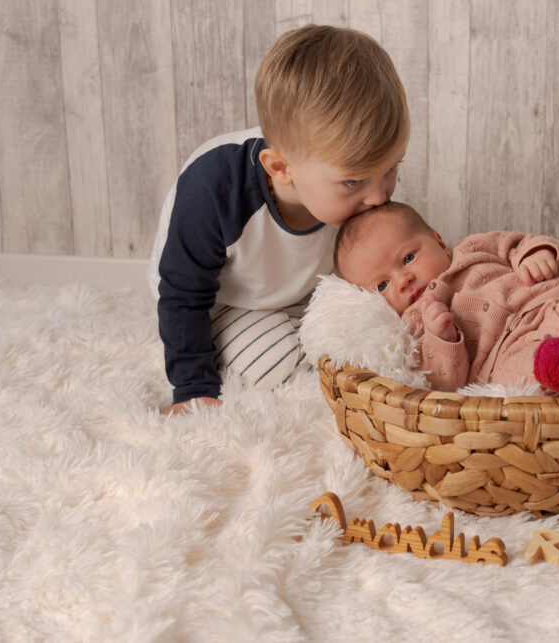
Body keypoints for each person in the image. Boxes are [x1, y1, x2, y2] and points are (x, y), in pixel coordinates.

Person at [148, 25, 410, 415]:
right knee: (278, 361)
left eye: (391, 169)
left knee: (391, 334)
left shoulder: (345, 184)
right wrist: (192, 387)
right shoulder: (213, 188)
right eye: (353, 181)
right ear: (281, 168)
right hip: (223, 301)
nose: (378, 196)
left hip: (307, 287)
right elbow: (183, 295)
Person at [333, 202, 559, 399]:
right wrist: (443, 338)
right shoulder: (413, 324)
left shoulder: (471, 248)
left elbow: (518, 243)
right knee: (526, 375)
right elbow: (443, 384)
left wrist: (536, 254)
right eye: (381, 285)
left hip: (554, 301)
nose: (403, 280)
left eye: (407, 258)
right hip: (509, 353)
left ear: (437, 241)